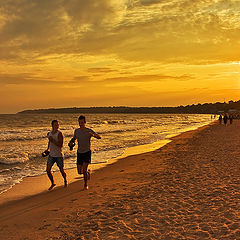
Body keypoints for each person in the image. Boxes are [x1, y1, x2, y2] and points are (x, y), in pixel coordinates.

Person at [69, 115, 101, 190]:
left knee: (84, 169)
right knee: (79, 172)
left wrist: (93, 135)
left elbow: (99, 137)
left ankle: (85, 184)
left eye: (82, 122)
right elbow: (74, 139)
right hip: (79, 152)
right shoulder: (76, 131)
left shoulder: (89, 130)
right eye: (79, 123)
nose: (80, 124)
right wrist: (71, 142)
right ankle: (87, 173)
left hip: (87, 152)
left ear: (85, 122)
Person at [44, 120, 67, 190]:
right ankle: (53, 183)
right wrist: (47, 149)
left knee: (61, 170)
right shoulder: (49, 133)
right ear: (52, 125)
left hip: (59, 155)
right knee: (48, 170)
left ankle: (65, 180)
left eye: (58, 125)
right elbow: (49, 142)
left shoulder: (60, 134)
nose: (57, 126)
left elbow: (60, 145)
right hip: (51, 155)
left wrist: (53, 140)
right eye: (55, 125)